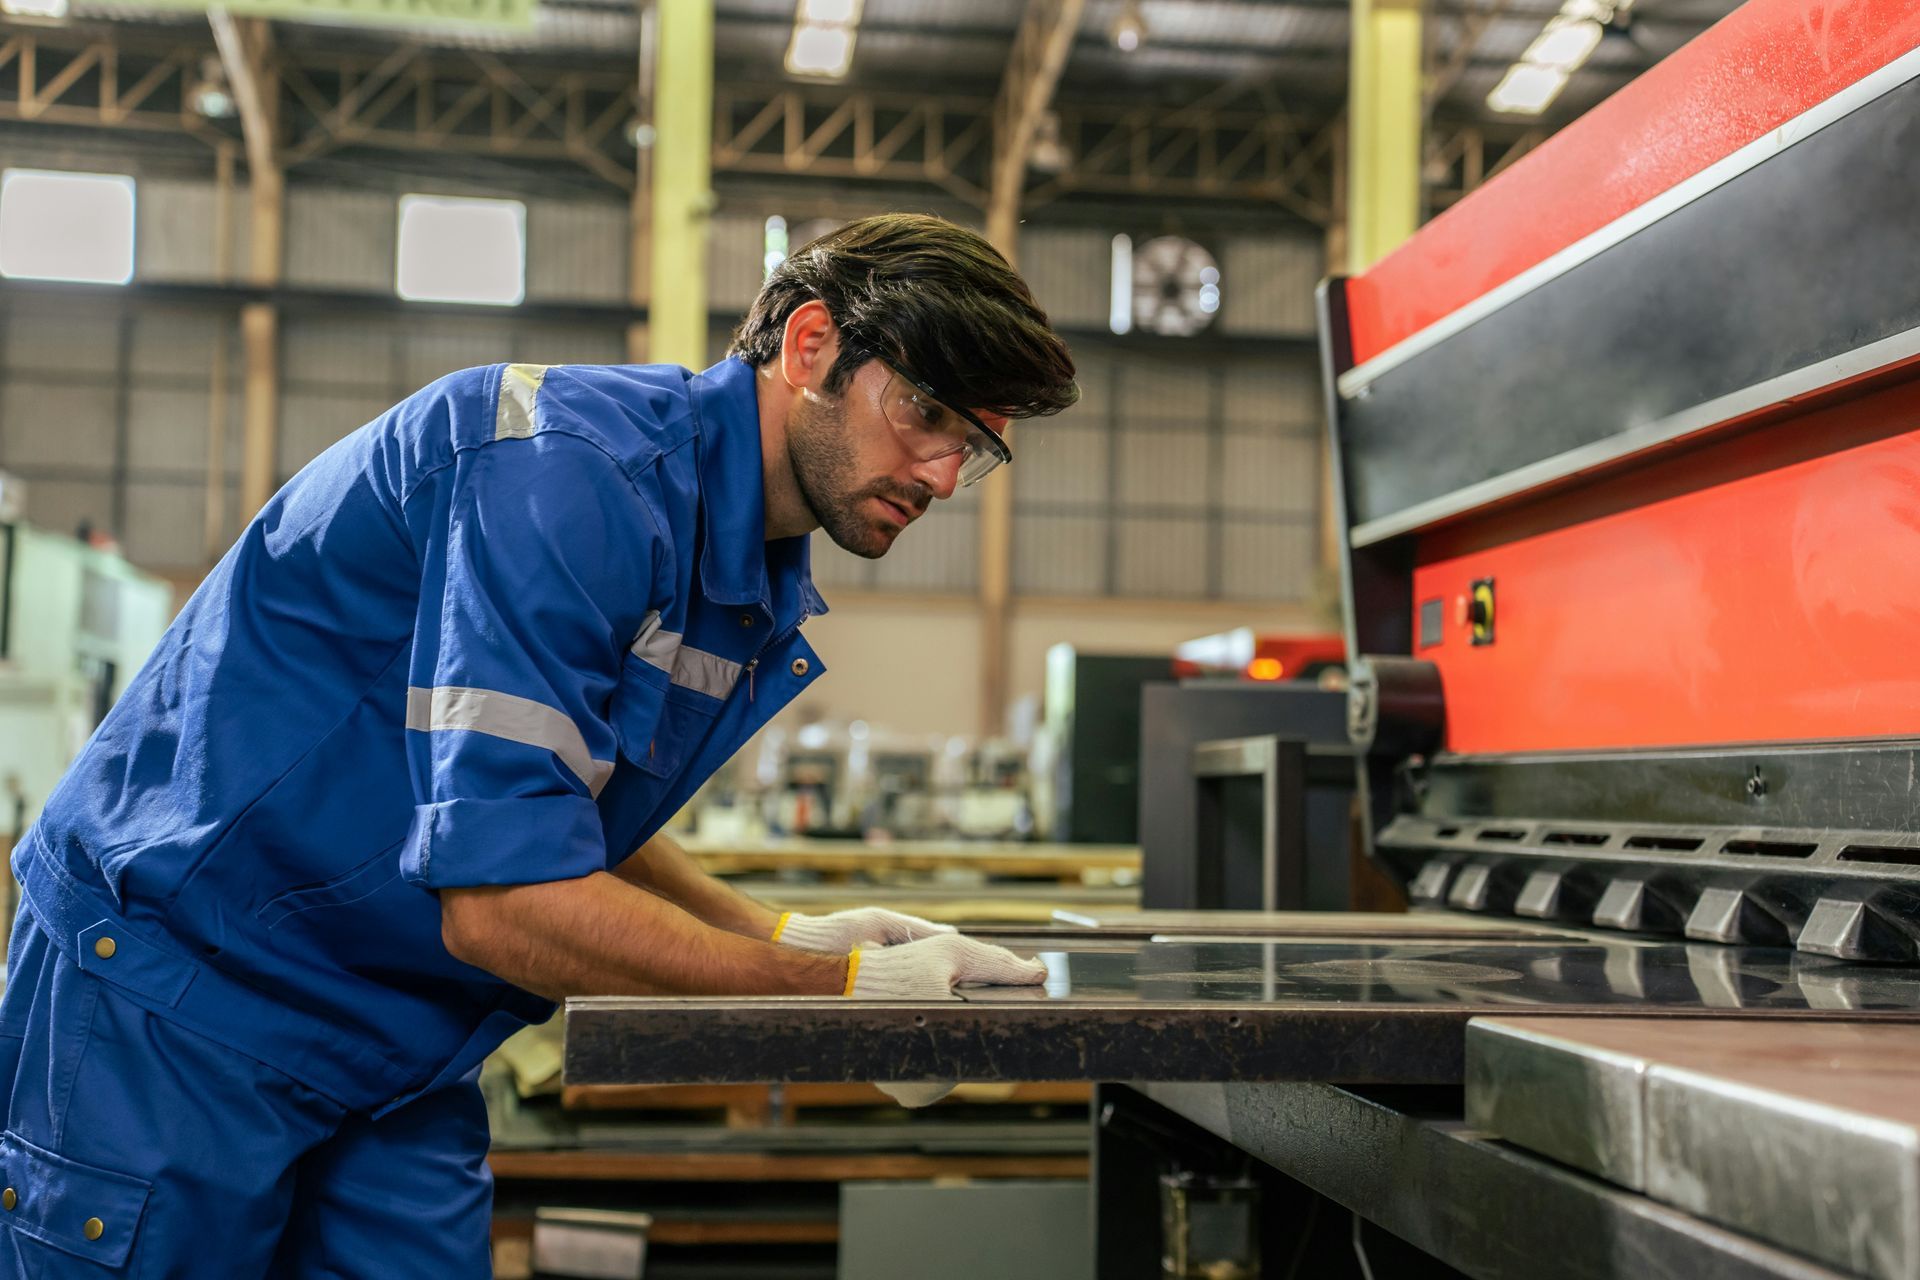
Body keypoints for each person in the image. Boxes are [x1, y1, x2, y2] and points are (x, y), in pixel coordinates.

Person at [0, 213, 1079, 1276]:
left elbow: (549, 805)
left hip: (393, 1039)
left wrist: (782, 929)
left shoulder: (740, 566)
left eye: (973, 449)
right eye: (926, 411)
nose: (942, 476)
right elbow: (504, 899)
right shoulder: (569, 476)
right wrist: (835, 993)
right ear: (809, 347)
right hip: (178, 997)